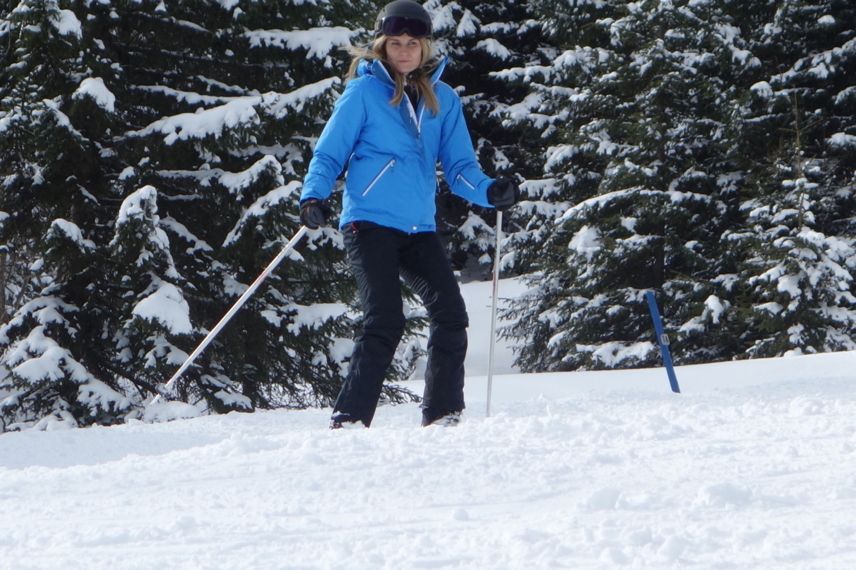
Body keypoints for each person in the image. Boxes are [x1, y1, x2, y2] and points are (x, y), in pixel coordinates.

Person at [298, 0, 519, 429]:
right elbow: (329, 153)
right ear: (382, 45)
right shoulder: (364, 93)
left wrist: (490, 191)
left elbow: (459, 168)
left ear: (425, 47)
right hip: (369, 223)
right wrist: (313, 197)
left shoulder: (444, 100)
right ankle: (349, 419)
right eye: (395, 42)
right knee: (385, 319)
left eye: (412, 43)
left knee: (451, 315)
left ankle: (443, 414)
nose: (403, 51)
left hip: (418, 228)